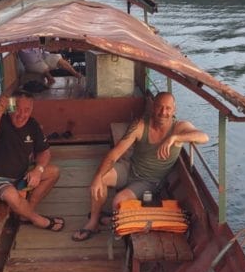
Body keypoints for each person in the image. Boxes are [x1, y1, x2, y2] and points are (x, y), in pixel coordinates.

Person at [72, 92, 209, 241]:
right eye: (159, 107)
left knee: (118, 201)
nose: (163, 112)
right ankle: (93, 222)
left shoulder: (179, 127)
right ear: (153, 107)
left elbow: (203, 137)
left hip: (149, 181)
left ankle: (114, 220)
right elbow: (115, 154)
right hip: (130, 168)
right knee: (101, 178)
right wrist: (98, 177)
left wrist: (175, 138)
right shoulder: (140, 125)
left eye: (168, 108)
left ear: (174, 110)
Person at [0, 91, 65, 231]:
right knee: (10, 194)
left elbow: (44, 151)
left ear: (31, 110)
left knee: (53, 172)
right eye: (17, 109)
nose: (21, 115)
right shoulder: (0, 121)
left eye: (27, 110)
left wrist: (38, 170)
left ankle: (26, 213)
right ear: (10, 108)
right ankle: (39, 220)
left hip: (18, 176)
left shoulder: (32, 125)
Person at [18, 47, 82, 86]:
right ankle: (50, 80)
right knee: (44, 67)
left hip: (42, 57)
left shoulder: (36, 34)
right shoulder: (19, 36)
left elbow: (44, 47)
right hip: (31, 63)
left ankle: (75, 74)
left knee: (57, 58)